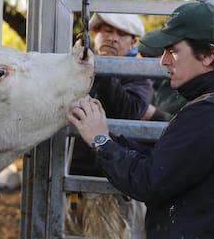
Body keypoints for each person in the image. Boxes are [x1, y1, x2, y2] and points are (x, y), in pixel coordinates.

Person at [67, 0, 214, 238]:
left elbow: (149, 180)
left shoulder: (213, 113)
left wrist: (101, 141)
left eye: (173, 51)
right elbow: (168, 161)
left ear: (209, 54)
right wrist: (106, 135)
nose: (163, 61)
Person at [66, 13, 153, 239]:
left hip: (109, 190)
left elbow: (129, 110)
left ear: (133, 42)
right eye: (106, 30)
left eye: (122, 34)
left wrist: (101, 70)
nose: (112, 38)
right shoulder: (75, 71)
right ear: (95, 34)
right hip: (69, 185)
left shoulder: (139, 77)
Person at [138, 30, 187, 122]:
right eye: (143, 56)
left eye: (152, 56)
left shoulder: (185, 86)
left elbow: (190, 125)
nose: (146, 61)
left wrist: (156, 115)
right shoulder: (143, 82)